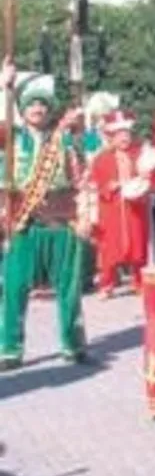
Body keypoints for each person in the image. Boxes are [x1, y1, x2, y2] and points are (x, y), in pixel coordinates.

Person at [0, 63, 91, 371]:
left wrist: (85, 214)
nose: (37, 109)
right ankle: (10, 349)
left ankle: (73, 345)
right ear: (22, 110)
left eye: (42, 105)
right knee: (14, 288)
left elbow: (81, 180)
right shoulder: (11, 138)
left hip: (62, 221)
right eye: (31, 105)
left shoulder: (64, 141)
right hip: (24, 222)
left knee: (69, 288)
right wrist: (4, 88)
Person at [90, 109, 155, 298]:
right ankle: (107, 284)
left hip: (135, 208)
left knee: (138, 245)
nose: (124, 138)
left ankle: (140, 282)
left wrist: (148, 179)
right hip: (112, 209)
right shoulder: (102, 158)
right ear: (111, 137)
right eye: (119, 134)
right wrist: (109, 186)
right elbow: (95, 183)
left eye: (126, 133)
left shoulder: (141, 154)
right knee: (109, 248)